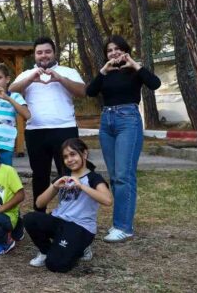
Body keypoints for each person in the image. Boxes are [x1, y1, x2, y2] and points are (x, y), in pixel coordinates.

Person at [86, 35, 160, 243]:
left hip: (128, 120)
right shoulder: (106, 74)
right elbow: (90, 92)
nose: (114, 53)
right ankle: (118, 224)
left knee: (124, 175)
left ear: (125, 50)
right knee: (115, 176)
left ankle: (123, 227)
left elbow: (155, 84)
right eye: (110, 50)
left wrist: (135, 65)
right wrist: (103, 71)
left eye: (118, 49)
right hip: (106, 122)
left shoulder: (135, 71)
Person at [9, 36, 85, 212]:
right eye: (39, 52)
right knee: (40, 175)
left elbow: (83, 92)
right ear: (35, 55)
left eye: (47, 51)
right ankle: (40, 215)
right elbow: (11, 90)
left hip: (65, 130)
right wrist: (30, 79)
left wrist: (60, 79)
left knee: (68, 174)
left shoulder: (68, 71)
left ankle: (69, 214)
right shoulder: (26, 74)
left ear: (54, 53)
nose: (44, 55)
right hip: (36, 131)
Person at [25, 138, 113, 272]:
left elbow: (107, 200)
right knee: (30, 218)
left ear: (84, 154)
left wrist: (82, 186)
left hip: (81, 227)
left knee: (56, 265)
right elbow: (39, 203)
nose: (69, 159)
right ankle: (45, 251)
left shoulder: (94, 178)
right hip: (59, 221)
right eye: (65, 157)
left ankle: (81, 248)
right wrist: (54, 186)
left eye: (73, 154)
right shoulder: (64, 176)